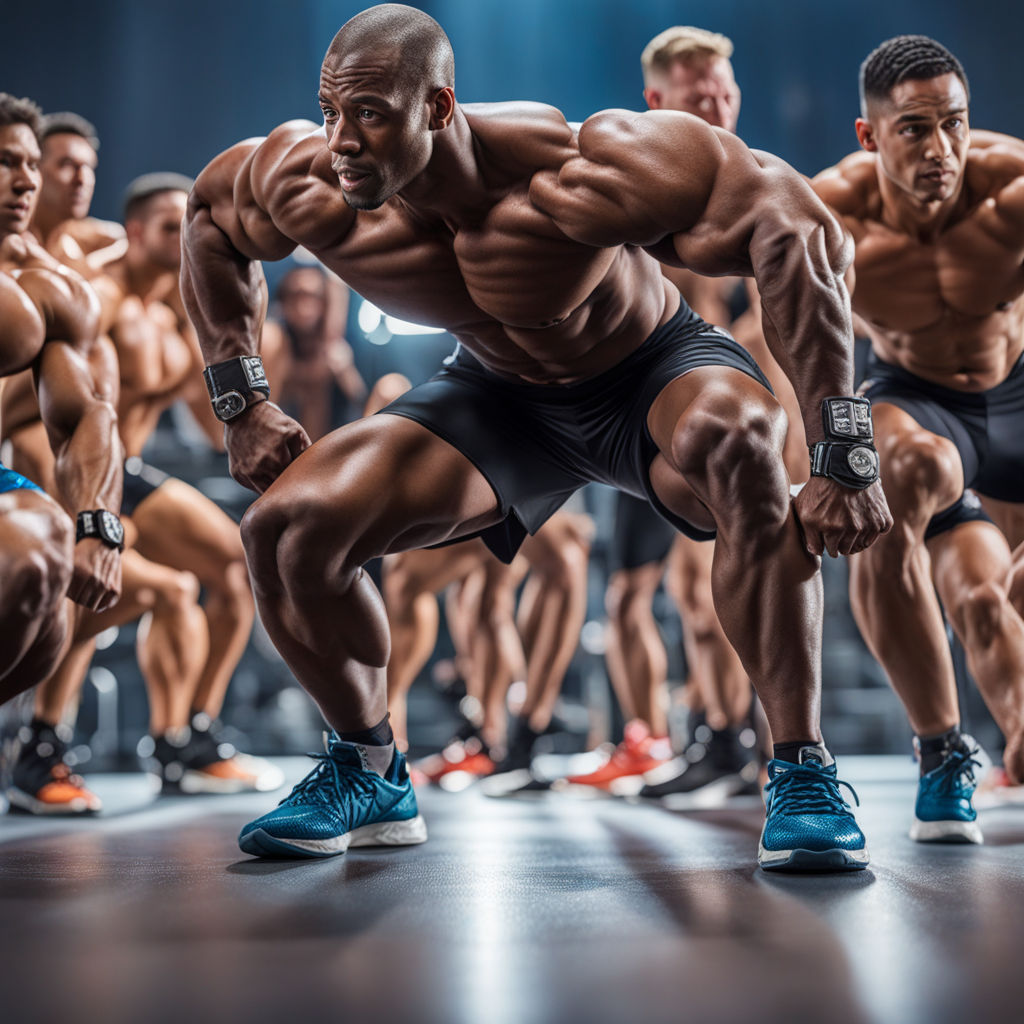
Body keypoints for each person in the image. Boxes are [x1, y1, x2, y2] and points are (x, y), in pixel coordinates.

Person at [181, 4, 890, 870]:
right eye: (331, 112)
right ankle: (367, 767)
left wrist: (844, 449)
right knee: (286, 531)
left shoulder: (579, 167)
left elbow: (797, 226)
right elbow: (210, 220)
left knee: (741, 440)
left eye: (369, 114)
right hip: (498, 393)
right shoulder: (317, 185)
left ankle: (801, 769)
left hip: (645, 375)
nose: (342, 140)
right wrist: (243, 401)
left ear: (438, 109)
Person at [811, 34, 1024, 844]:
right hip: (914, 395)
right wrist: (836, 459)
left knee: (981, 598)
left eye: (956, 125)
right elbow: (798, 342)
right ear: (869, 137)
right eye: (914, 130)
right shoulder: (831, 215)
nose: (943, 151)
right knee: (896, 472)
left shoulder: (1012, 187)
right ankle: (942, 753)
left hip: (1018, 383)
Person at [5, 172, 277, 803]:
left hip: (124, 474)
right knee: (118, 589)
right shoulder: (94, 295)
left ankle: (189, 739)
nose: (185, 236)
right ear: (132, 232)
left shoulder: (180, 319)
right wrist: (69, 505)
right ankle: (41, 747)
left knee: (237, 563)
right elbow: (25, 410)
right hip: (67, 471)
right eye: (168, 225)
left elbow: (217, 431)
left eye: (191, 225)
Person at [0, 93, 123, 707]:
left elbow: (85, 416)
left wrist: (98, 528)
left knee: (44, 583)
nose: (25, 179)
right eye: (5, 162)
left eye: (29, 163)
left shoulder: (46, 288)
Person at [262, 265, 366, 441]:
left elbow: (361, 401)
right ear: (284, 303)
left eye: (312, 297)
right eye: (296, 297)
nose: (303, 307)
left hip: (338, 439)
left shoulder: (339, 341)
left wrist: (344, 373)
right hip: (287, 440)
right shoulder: (276, 341)